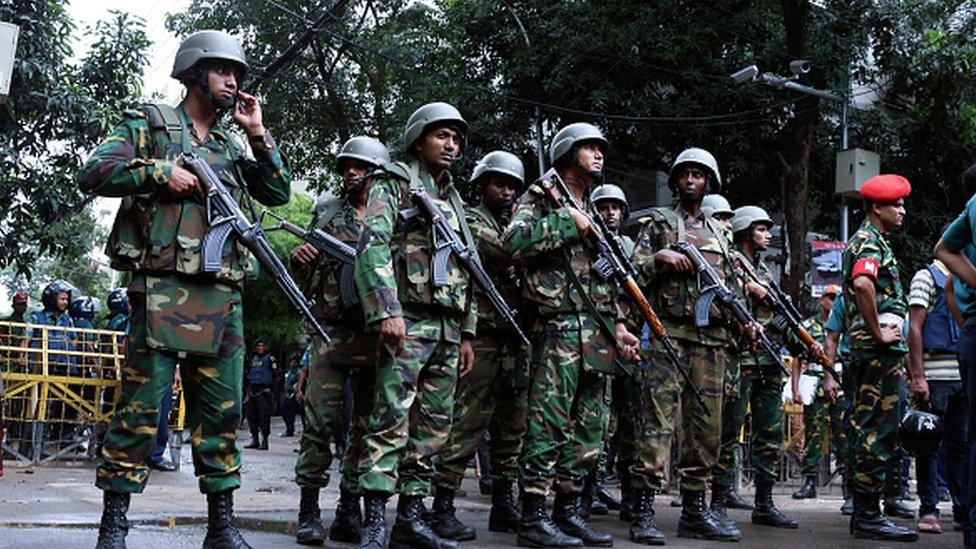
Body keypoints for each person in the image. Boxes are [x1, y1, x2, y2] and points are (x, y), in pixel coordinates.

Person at [77, 29, 291, 548]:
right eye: (223, 71)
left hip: (222, 297)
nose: (233, 81)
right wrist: (158, 172)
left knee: (221, 414)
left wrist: (258, 132)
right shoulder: (151, 124)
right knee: (140, 412)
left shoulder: (230, 144)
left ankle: (221, 526)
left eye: (236, 73)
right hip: (159, 291)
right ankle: (114, 526)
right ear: (194, 73)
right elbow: (93, 172)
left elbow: (278, 191)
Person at [505, 122, 639, 548]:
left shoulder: (592, 205)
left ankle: (568, 512)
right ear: (567, 153)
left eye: (601, 148)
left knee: (589, 428)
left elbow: (604, 281)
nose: (599, 154)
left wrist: (618, 325)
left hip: (596, 332)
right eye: (589, 148)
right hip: (558, 327)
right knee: (547, 424)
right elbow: (512, 241)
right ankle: (532, 517)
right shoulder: (543, 198)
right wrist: (567, 223)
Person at [354, 102, 478, 549]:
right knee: (390, 420)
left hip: (447, 328)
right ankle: (373, 525)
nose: (452, 145)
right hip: (408, 320)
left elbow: (468, 267)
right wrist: (386, 310)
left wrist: (468, 332)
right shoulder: (394, 182)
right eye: (442, 135)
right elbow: (372, 248)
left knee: (432, 430)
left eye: (457, 138)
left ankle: (410, 519)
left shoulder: (455, 198)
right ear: (419, 138)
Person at [626, 148, 761, 544]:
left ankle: (695, 511)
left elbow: (733, 288)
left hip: (713, 342)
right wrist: (660, 258)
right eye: (684, 174)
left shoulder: (721, 233)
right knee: (656, 425)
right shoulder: (659, 224)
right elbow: (631, 273)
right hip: (669, 338)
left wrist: (745, 324)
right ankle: (643, 511)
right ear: (675, 181)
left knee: (707, 430)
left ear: (708, 183)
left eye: (698, 175)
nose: (690, 180)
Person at [290, 135, 388, 546]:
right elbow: (307, 282)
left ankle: (350, 509)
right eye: (345, 165)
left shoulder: (392, 218)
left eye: (359, 166)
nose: (350, 171)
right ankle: (309, 511)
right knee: (319, 423)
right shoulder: (327, 213)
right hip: (330, 332)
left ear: (376, 172)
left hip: (374, 334)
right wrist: (299, 261)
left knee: (367, 427)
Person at [429, 150, 528, 541]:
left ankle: (505, 503)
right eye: (499, 183)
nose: (506, 191)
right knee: (467, 424)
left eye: (512, 186)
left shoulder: (516, 224)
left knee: (513, 427)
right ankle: (442, 505)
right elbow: (506, 249)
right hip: (482, 336)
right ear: (482, 185)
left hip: (515, 338)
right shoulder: (470, 220)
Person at [843, 174, 921, 541]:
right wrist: (877, 333)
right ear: (877, 207)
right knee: (877, 429)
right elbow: (862, 284)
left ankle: (865, 513)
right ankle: (868, 516)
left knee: (869, 427)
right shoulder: (869, 241)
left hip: (878, 350)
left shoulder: (871, 240)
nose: (903, 210)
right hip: (876, 350)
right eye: (897, 204)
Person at [909, 259, 967, 533]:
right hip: (935, 376)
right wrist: (918, 376)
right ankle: (929, 509)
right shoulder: (925, 277)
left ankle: (962, 509)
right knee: (928, 446)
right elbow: (915, 328)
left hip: (962, 376)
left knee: (960, 446)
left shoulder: (965, 279)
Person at [790, 285, 847, 500]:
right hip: (814, 385)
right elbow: (797, 358)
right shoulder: (809, 326)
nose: (832, 302)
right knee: (813, 434)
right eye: (829, 297)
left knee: (844, 435)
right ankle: (810, 481)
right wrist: (796, 389)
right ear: (822, 299)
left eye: (835, 298)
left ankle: (847, 485)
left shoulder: (845, 324)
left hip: (839, 384)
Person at [244, 338, 277, 451]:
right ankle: (255, 440)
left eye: (262, 346)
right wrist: (247, 395)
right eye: (258, 346)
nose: (260, 348)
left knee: (264, 417)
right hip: (253, 391)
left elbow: (277, 374)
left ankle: (265, 441)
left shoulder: (270, 359)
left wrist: (272, 390)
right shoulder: (252, 359)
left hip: (264, 391)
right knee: (252, 416)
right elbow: (248, 378)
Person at [280, 356, 301, 438]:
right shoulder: (289, 372)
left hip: (293, 393)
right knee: (283, 411)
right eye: (291, 362)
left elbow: (298, 382)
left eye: (294, 362)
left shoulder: (298, 372)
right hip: (286, 392)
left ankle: (290, 430)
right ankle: (289, 428)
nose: (292, 364)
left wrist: (295, 390)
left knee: (290, 413)